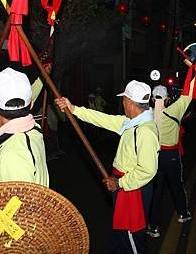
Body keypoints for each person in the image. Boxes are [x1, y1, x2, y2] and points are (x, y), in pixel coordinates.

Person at [55, 80, 159, 254]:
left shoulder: (145, 131)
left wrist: (119, 184)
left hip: (132, 189)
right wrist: (73, 109)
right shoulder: (131, 122)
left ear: (131, 103)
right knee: (120, 236)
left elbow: (147, 170)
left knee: (132, 239)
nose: (122, 103)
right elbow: (102, 119)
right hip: (124, 185)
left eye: (124, 99)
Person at [146, 67, 196, 238]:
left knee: (156, 191)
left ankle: (153, 227)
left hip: (154, 157)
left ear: (151, 99)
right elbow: (188, 93)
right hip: (171, 156)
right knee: (176, 186)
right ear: (168, 98)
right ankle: (183, 214)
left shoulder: (146, 115)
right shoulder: (175, 110)